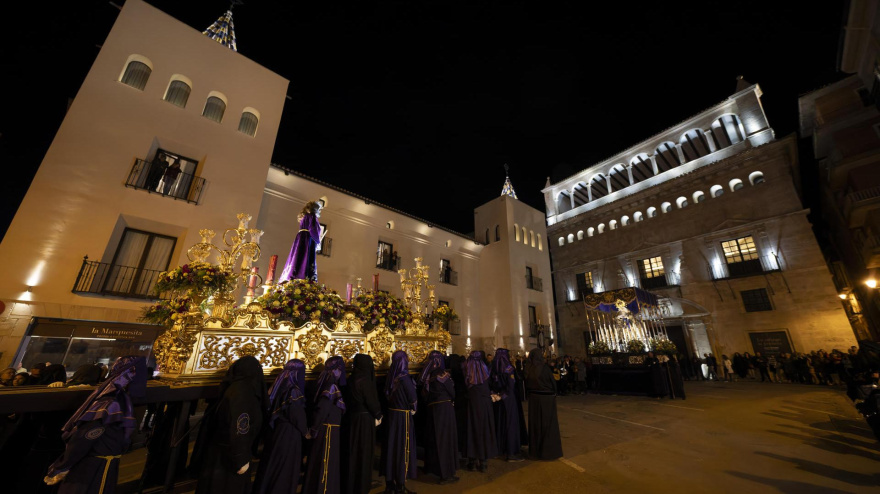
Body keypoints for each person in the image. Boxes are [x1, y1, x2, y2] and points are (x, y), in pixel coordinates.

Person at [43, 356, 148, 493]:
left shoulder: (121, 399)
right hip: (91, 468)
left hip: (105, 464)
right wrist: (62, 466)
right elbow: (84, 437)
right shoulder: (109, 403)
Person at [195, 356, 268, 494]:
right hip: (230, 458)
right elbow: (239, 427)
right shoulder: (244, 392)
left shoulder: (236, 387)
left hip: (222, 454)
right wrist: (240, 458)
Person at [252, 359, 309, 494]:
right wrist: (305, 431)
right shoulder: (294, 391)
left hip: (277, 431)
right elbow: (296, 415)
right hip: (289, 434)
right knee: (285, 468)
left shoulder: (277, 385)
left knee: (273, 464)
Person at [303, 356, 346, 494]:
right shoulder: (331, 386)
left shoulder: (327, 383)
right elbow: (322, 409)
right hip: (327, 430)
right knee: (325, 463)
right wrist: (314, 429)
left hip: (327, 429)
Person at [419, 351, 458, 485]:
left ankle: (430, 467)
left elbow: (424, 394)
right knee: (445, 441)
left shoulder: (427, 375)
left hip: (432, 409)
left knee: (433, 439)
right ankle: (445, 474)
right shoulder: (443, 375)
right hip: (444, 410)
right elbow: (452, 392)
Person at [345, 354, 383, 494]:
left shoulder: (351, 378)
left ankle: (352, 482)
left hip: (353, 418)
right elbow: (371, 401)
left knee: (354, 450)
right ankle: (361, 484)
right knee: (364, 452)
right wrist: (378, 414)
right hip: (365, 420)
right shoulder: (365, 380)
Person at [383, 351, 417, 494]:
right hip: (403, 417)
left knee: (392, 447)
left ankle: (390, 482)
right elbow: (412, 398)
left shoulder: (390, 377)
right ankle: (401, 484)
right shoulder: (404, 378)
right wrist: (414, 408)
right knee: (403, 447)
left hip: (392, 416)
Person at [524, 348, 563, 460]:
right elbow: (552, 382)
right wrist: (554, 392)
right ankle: (548, 452)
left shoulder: (528, 368)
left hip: (533, 399)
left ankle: (535, 452)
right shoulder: (544, 368)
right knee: (548, 425)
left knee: (535, 425)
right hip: (546, 399)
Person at [464, 350, 497, 473]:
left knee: (472, 429)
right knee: (484, 430)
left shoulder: (467, 371)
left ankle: (472, 461)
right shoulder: (485, 370)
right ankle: (483, 461)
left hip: (473, 404)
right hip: (485, 404)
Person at [490, 348, 524, 462]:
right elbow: (510, 386)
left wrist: (495, 394)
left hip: (497, 401)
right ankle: (511, 452)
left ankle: (499, 449)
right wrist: (503, 396)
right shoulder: (509, 369)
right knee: (510, 424)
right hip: (508, 401)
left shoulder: (492, 369)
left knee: (499, 423)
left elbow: (490, 385)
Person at [278, 201, 325, 283]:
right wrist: (318, 242)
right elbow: (314, 229)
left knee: (297, 256)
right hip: (307, 238)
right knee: (305, 257)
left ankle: (293, 274)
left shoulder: (304, 216)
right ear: (315, 209)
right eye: (319, 209)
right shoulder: (312, 216)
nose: (319, 211)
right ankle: (303, 276)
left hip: (300, 237)